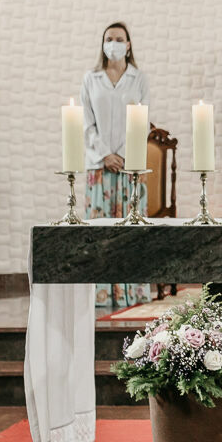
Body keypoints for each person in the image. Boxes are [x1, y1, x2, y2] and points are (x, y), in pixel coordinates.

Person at [81, 21, 151, 308]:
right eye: (109, 38)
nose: (114, 43)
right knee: (100, 233)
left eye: (119, 39)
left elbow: (143, 119)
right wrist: (105, 154)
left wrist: (121, 155)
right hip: (99, 166)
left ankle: (132, 292)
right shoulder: (91, 78)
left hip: (129, 165)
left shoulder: (139, 79)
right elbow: (86, 123)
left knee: (130, 232)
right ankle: (100, 293)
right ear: (103, 44)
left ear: (128, 45)